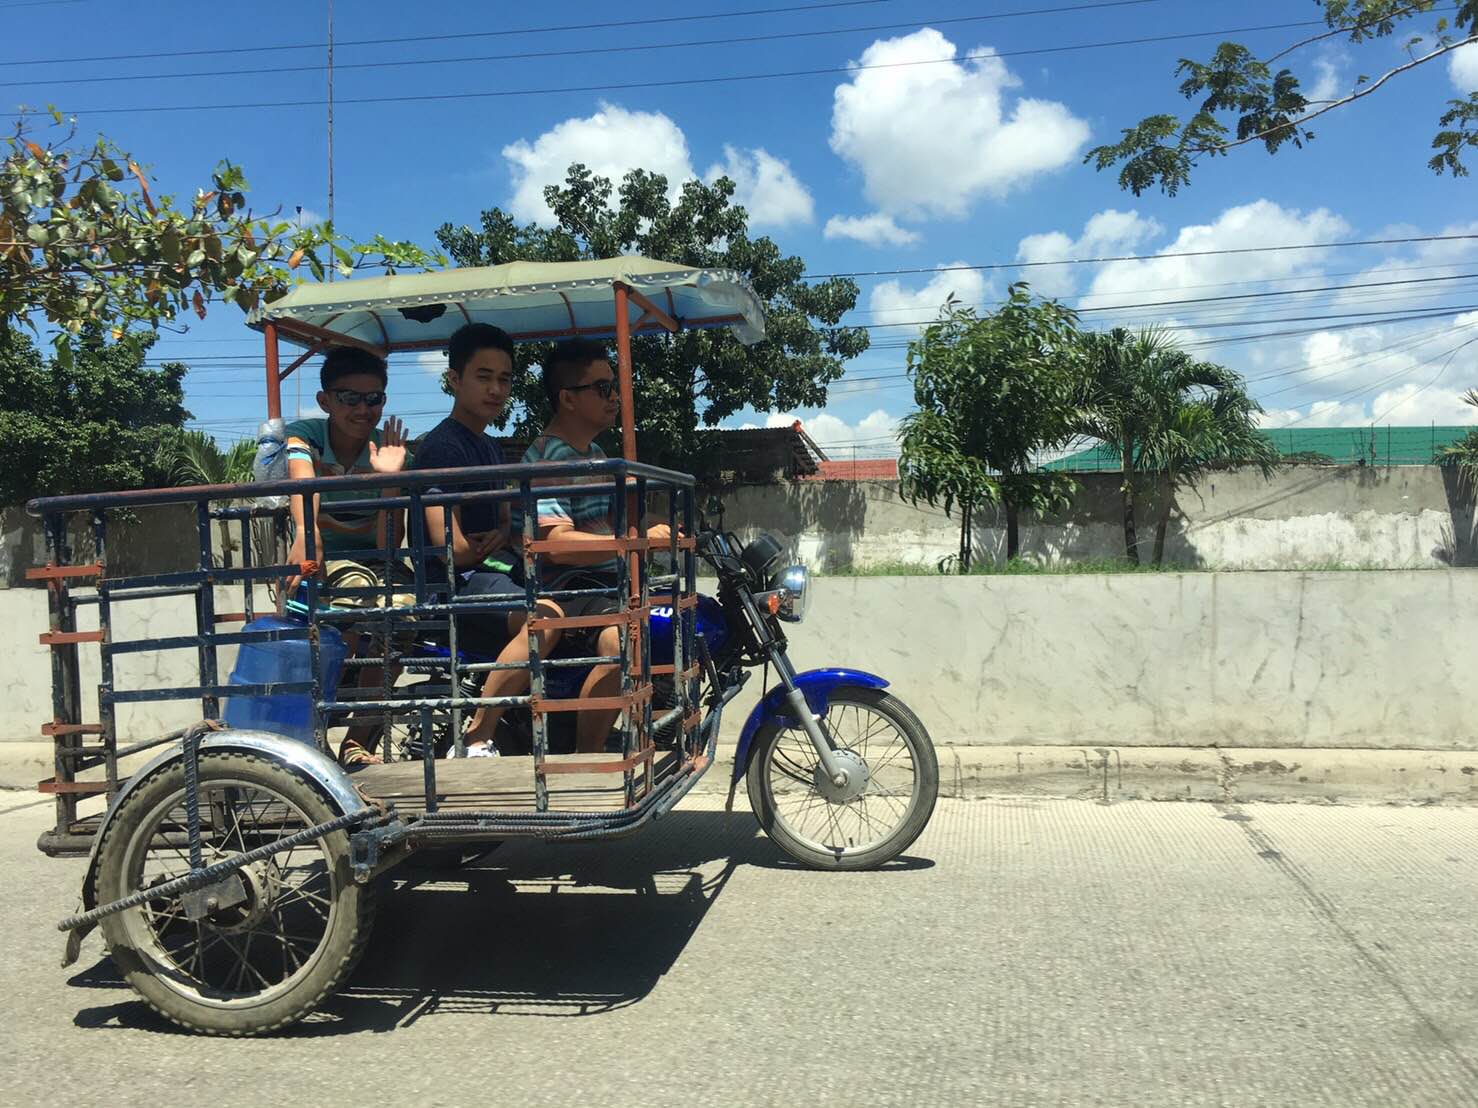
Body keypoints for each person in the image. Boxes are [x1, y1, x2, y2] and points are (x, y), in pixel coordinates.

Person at [514, 339, 673, 754]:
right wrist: (633, 542)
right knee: (619, 641)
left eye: (615, 387)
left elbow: (611, 527)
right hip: (570, 587)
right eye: (602, 388)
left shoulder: (597, 455)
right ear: (567, 398)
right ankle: (589, 754)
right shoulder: (549, 458)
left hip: (601, 584)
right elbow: (556, 544)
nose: (614, 398)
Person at [412, 322, 564, 757]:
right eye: (484, 377)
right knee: (547, 619)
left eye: (505, 378)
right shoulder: (443, 448)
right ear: (454, 380)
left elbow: (503, 525)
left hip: (487, 573)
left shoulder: (491, 448)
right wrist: (488, 541)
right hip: (452, 587)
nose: (496, 389)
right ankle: (479, 732)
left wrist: (495, 538)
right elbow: (453, 549)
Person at [283, 346, 414, 767]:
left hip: (371, 561)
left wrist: (389, 482)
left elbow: (386, 546)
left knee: (404, 613)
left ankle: (359, 739)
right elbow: (304, 486)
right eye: (350, 398)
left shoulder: (388, 448)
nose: (363, 409)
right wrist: (307, 534)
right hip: (323, 564)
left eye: (374, 399)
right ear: (325, 401)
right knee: (351, 600)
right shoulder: (306, 435)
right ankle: (308, 739)